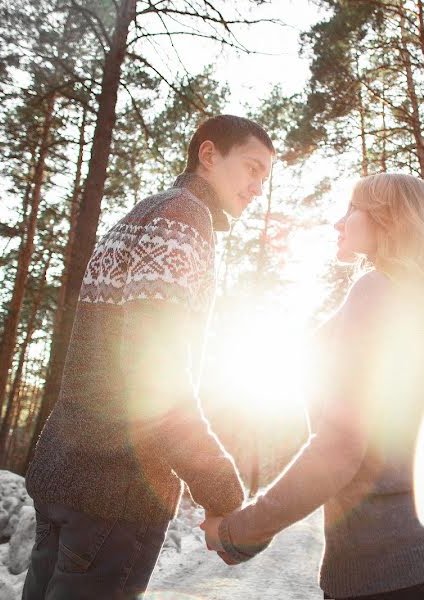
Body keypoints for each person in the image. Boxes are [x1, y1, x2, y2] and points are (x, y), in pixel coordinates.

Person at [23, 115, 274, 600]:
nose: (256, 186)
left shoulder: (147, 212)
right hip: (113, 490)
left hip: (64, 474)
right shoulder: (183, 223)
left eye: (264, 177)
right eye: (250, 168)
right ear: (208, 155)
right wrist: (222, 495)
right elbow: (154, 378)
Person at [202, 173, 424, 600]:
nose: (338, 223)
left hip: (385, 578)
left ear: (387, 221)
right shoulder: (418, 305)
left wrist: (241, 530)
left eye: (351, 209)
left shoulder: (377, 290)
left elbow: (341, 447)